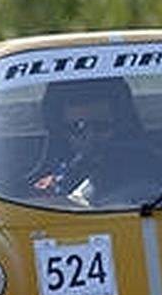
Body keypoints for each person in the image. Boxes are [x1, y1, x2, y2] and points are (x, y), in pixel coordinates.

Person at [28, 77, 145, 207]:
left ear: (120, 125)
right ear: (60, 129)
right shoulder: (46, 179)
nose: (90, 137)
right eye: (77, 127)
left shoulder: (150, 168)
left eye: (101, 127)